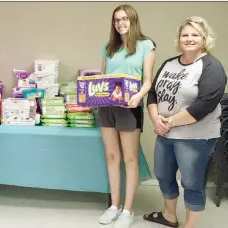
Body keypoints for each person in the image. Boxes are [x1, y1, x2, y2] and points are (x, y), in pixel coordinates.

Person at [144, 16, 227, 228]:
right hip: (165, 134)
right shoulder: (169, 63)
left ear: (204, 38)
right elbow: (153, 94)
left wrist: (168, 122)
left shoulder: (211, 67)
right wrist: (155, 119)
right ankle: (169, 216)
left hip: (195, 138)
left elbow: (204, 105)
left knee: (191, 183)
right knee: (163, 175)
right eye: (185, 35)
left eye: (195, 34)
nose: (189, 39)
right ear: (179, 38)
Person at [97, 4, 156, 228]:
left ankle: (128, 210)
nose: (120, 23)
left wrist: (138, 96)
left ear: (132, 20)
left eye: (124, 19)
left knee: (130, 159)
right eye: (116, 20)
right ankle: (114, 206)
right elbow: (103, 78)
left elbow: (148, 81)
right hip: (107, 107)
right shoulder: (108, 48)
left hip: (130, 107)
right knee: (112, 157)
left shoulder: (145, 45)